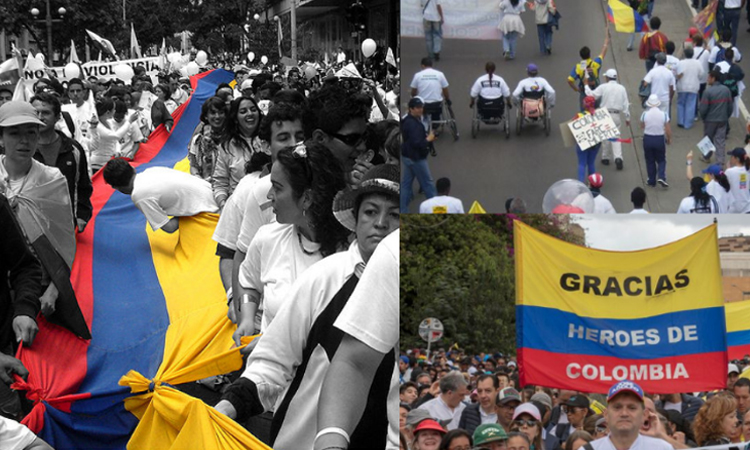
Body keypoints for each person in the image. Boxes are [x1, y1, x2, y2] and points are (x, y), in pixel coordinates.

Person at [216, 170, 399, 449]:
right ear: (356, 219)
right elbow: (273, 362)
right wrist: (232, 405)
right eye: (371, 212)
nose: (381, 224)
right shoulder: (323, 279)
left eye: (395, 216)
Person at [232, 143, 350, 336]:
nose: (270, 196)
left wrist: (269, 347)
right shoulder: (266, 239)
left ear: (307, 198)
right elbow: (248, 284)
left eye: (277, 188)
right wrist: (246, 318)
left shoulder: (349, 254)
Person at [0, 101, 76, 333]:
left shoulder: (51, 179)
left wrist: (54, 290)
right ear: (1, 138)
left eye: (31, 133)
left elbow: (64, 241)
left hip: (40, 287)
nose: (24, 141)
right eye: (14, 133)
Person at [30, 92, 93, 233]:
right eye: (36, 112)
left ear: (58, 117)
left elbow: (83, 185)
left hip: (67, 225)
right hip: (31, 226)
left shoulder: (73, 149)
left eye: (45, 113)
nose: (40, 117)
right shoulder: (21, 149)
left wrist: (82, 216)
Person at [102, 158, 219, 233]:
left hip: (211, 213)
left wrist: (186, 211)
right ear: (132, 168)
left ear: (116, 188)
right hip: (216, 195)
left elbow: (170, 228)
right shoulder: (151, 171)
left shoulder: (139, 195)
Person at [212, 96, 267, 209]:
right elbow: (220, 183)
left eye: (253, 109)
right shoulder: (226, 147)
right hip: (239, 207)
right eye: (243, 111)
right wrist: (224, 206)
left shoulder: (270, 139)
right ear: (235, 118)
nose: (249, 114)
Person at [589, 380, 672, 449]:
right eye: (617, 407)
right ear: (606, 414)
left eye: (632, 408)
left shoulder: (661, 448)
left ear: (644, 415)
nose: (624, 413)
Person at [584, 69, 629, 169]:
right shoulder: (622, 88)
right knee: (616, 137)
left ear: (607, 77)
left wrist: (586, 85)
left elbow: (591, 95)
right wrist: (627, 117)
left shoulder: (604, 87)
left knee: (605, 136)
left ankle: (606, 157)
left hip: (605, 114)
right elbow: (625, 104)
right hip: (616, 115)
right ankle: (618, 157)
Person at [401, 97, 437, 213]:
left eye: (421, 107)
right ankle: (437, 210)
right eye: (417, 108)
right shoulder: (413, 124)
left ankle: (403, 209)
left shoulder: (409, 120)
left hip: (408, 157)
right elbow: (417, 143)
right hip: (416, 158)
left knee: (406, 185)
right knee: (428, 184)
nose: (420, 110)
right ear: (411, 109)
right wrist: (429, 139)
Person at [89, 98, 139, 172]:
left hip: (110, 161)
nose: (115, 111)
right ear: (108, 112)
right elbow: (115, 136)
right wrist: (129, 121)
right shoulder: (98, 126)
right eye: (114, 109)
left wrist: (117, 151)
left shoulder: (108, 122)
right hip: (97, 163)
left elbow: (116, 141)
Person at [699, 69, 733, 166]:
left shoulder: (708, 92)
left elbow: (703, 108)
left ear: (713, 78)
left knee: (707, 138)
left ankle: (706, 156)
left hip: (710, 120)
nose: (707, 79)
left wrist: (704, 118)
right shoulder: (726, 90)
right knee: (720, 139)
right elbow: (730, 106)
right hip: (723, 119)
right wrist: (727, 116)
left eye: (709, 77)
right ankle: (720, 160)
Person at [188, 96, 227, 181]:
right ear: (206, 116)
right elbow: (193, 166)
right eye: (213, 113)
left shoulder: (232, 138)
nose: (217, 116)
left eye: (221, 112)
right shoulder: (197, 140)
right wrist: (198, 177)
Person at [568, 34, 609, 112]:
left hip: (584, 93)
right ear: (590, 54)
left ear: (581, 56)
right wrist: (606, 42)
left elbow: (569, 80)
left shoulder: (579, 67)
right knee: (597, 113)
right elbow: (603, 53)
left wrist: (576, 89)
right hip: (595, 92)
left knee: (584, 114)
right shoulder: (595, 63)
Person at [410, 58, 451, 131]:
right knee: (437, 111)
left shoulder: (418, 75)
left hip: (423, 104)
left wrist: (414, 97)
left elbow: (413, 92)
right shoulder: (440, 74)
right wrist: (447, 99)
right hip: (437, 104)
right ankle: (436, 124)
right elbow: (445, 89)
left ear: (422, 66)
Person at [640, 94, 672, 188]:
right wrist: (669, 138)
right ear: (658, 104)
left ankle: (651, 180)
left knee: (650, 160)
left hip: (648, 139)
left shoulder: (645, 114)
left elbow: (642, 125)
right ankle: (661, 176)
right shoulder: (664, 114)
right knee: (661, 159)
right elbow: (668, 129)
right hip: (659, 139)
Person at [573, 96, 601, 183]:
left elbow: (573, 129)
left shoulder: (579, 116)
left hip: (583, 143)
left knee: (582, 163)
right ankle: (593, 183)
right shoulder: (600, 115)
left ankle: (581, 183)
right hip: (595, 143)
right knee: (591, 162)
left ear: (585, 105)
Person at [675, 47, 704, 129]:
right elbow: (701, 74)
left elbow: (677, 74)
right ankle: (688, 123)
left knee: (681, 103)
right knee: (691, 104)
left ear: (684, 54)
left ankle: (680, 121)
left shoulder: (681, 63)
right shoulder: (698, 63)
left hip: (682, 86)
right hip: (693, 86)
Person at [642, 53, 676, 119]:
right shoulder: (669, 73)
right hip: (665, 99)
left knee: (653, 117)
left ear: (657, 61)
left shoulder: (653, 71)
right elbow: (672, 88)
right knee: (664, 118)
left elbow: (645, 83)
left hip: (654, 99)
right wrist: (670, 98)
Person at [725, 147, 750, 213]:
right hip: (747, 207)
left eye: (732, 156)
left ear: (736, 158)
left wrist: (727, 169)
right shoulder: (747, 170)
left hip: (734, 208)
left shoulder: (729, 171)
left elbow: (723, 183)